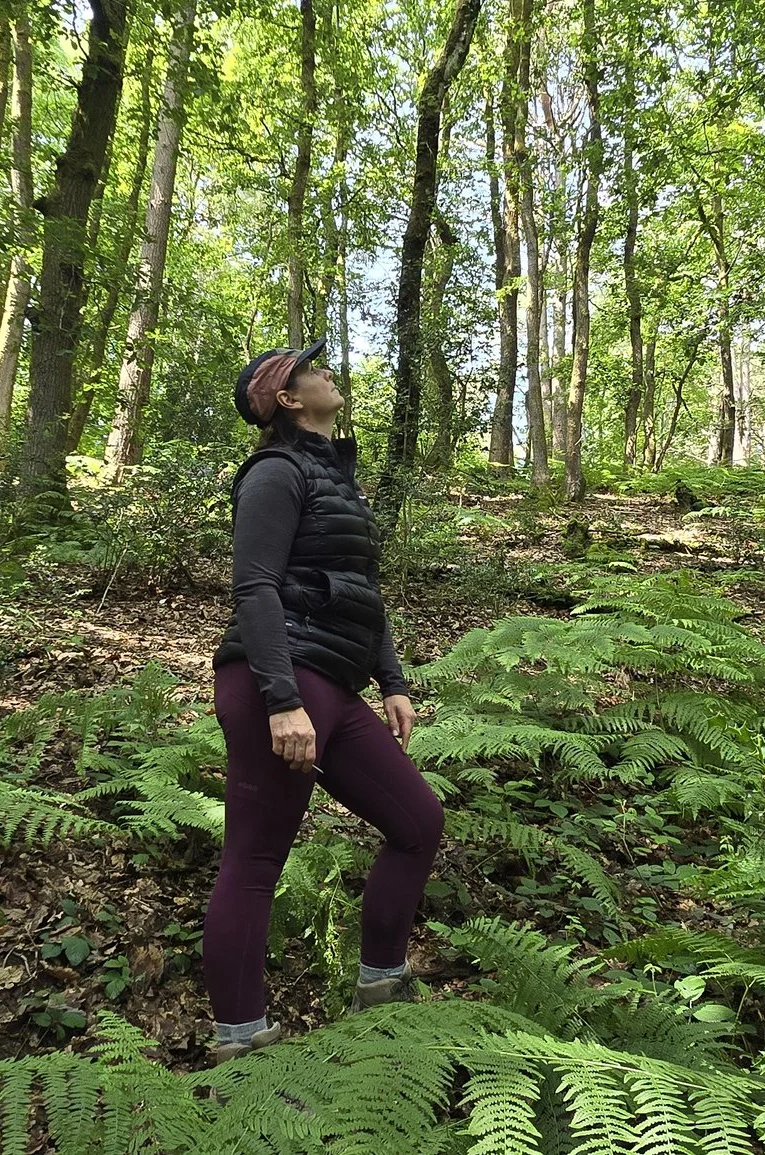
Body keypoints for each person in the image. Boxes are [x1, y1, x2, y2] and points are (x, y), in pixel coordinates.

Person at [202, 339, 444, 1062]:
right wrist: (280, 699)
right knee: (255, 858)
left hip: (333, 686)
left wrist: (393, 682)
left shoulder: (336, 477)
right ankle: (241, 1043)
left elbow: (361, 592)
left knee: (418, 819)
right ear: (285, 398)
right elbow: (255, 589)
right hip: (278, 683)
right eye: (313, 370)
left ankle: (381, 984)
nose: (328, 372)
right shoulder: (275, 472)